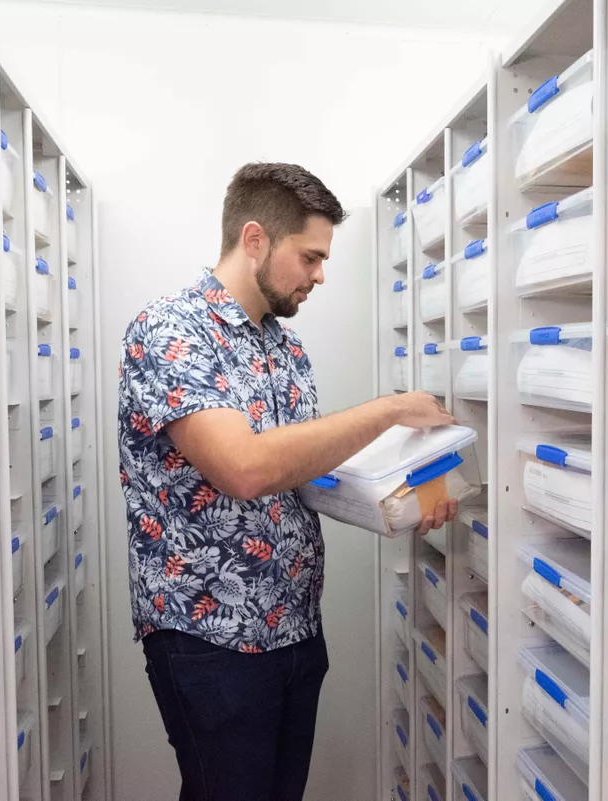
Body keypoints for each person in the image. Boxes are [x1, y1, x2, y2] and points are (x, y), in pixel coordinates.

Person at [118, 162, 459, 801]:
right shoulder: (172, 332)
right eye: (309, 256)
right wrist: (387, 408)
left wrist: (404, 503)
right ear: (255, 241)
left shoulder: (283, 348)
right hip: (211, 639)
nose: (319, 275)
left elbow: (305, 474)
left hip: (294, 628)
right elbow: (246, 469)